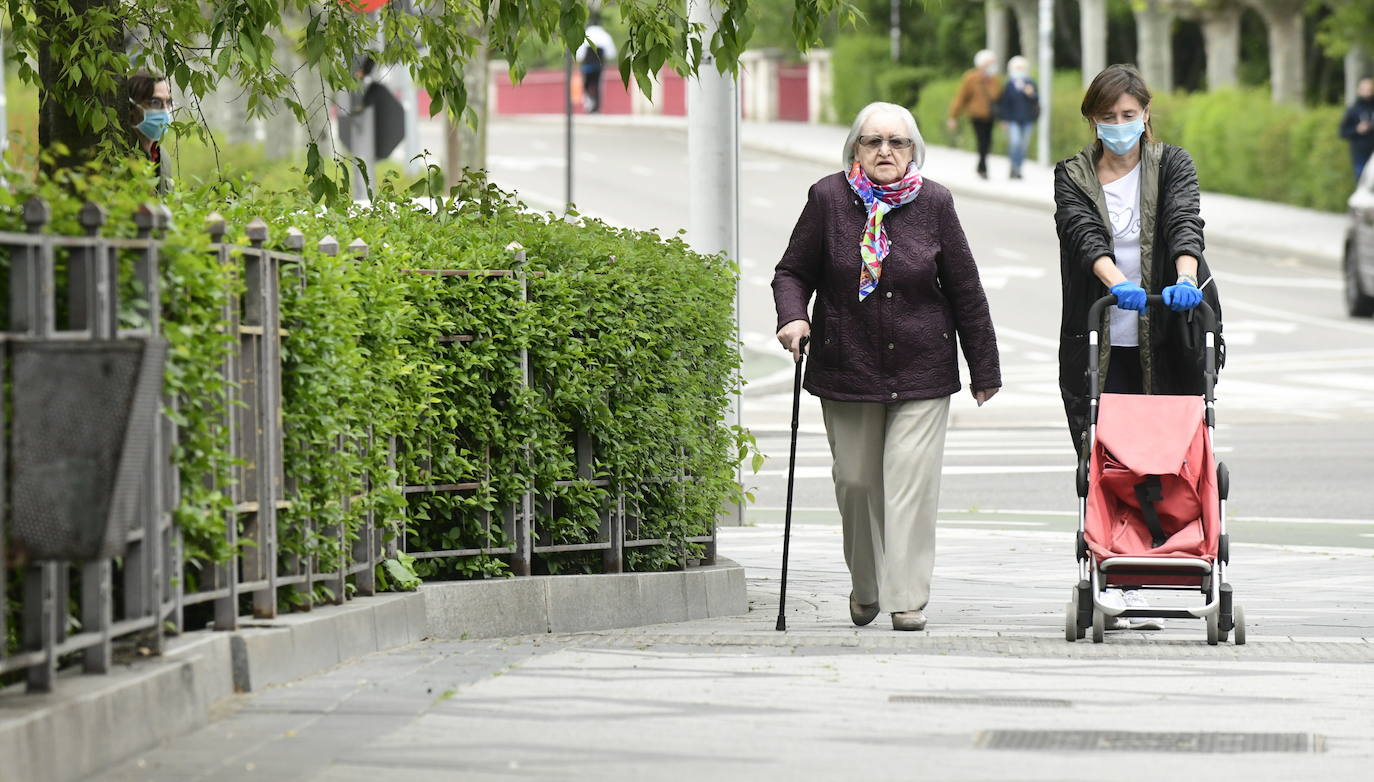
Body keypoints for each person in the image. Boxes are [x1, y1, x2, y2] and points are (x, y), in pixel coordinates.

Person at [773, 102, 1001, 632]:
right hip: (845, 364)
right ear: (855, 148)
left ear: (912, 151)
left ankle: (907, 597)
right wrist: (792, 318)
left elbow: (966, 289)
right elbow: (792, 273)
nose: (885, 151)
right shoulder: (828, 199)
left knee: (909, 484)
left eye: (896, 142)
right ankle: (867, 585)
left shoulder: (936, 202)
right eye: (873, 141)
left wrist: (983, 368)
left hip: (923, 366)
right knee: (855, 481)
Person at [1053, 64, 1222, 631]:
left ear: (1146, 114)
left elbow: (1183, 222)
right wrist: (1114, 281)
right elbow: (1082, 234)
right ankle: (1113, 575)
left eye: (1129, 116)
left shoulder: (1172, 163)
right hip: (1101, 336)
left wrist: (1182, 275)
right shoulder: (1072, 175)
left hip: (1170, 333)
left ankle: (1177, 555)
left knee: (1170, 454)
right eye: (1108, 118)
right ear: (1093, 120)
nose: (1120, 127)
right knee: (1109, 458)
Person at [947, 50, 1000, 180]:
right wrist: (953, 116)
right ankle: (983, 167)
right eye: (989, 63)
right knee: (982, 141)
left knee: (988, 142)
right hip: (977, 115)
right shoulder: (971, 78)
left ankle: (981, 165)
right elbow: (961, 97)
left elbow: (997, 97)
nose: (992, 65)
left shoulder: (993, 79)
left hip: (990, 116)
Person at [128, 71, 173, 192]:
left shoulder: (163, 158)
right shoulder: (119, 154)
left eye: (168, 102)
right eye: (155, 102)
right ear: (132, 108)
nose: (165, 111)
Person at [995, 55, 1039, 180]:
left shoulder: (1030, 82)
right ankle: (1013, 166)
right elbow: (1004, 103)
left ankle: (1018, 168)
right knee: (1015, 143)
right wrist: (1003, 119)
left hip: (1027, 119)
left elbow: (1037, 100)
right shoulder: (1009, 84)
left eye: (1022, 67)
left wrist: (1031, 94)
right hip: (1013, 119)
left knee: (1023, 145)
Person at [576, 13, 617, 114]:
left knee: (586, 84)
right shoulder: (605, 36)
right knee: (598, 85)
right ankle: (597, 107)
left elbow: (579, 55)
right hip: (599, 66)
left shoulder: (585, 34)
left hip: (587, 66)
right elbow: (611, 54)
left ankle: (588, 104)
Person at [1339, 77, 1374, 183]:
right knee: (1362, 181)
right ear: (1359, 90)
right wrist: (1357, 130)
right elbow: (1342, 132)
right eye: (1365, 88)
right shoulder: (1353, 110)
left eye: (1370, 88)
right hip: (1360, 152)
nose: (1368, 91)